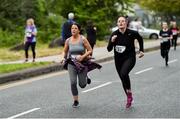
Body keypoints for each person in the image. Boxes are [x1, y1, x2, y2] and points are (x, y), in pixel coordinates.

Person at [61, 23, 101, 108]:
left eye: (75, 28)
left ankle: (86, 76)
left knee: (82, 85)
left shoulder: (83, 39)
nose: (73, 30)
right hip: (71, 63)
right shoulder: (68, 40)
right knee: (73, 82)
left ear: (79, 30)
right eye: (72, 28)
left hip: (82, 64)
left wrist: (83, 57)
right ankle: (76, 100)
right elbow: (65, 51)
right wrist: (63, 58)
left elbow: (90, 50)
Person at [107, 16, 144, 108]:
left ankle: (129, 94)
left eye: (123, 21)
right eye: (119, 21)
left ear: (126, 23)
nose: (121, 23)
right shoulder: (114, 34)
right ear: (117, 24)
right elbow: (108, 49)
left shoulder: (132, 33)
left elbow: (140, 39)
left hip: (130, 58)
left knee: (124, 74)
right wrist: (112, 41)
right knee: (123, 78)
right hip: (118, 60)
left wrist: (141, 50)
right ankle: (129, 96)